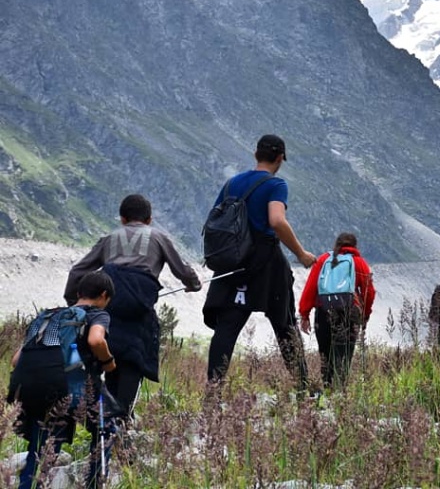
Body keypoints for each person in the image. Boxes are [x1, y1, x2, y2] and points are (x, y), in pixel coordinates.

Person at [63, 194, 202, 418]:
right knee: (133, 361)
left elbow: (77, 272)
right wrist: (193, 284)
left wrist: (75, 303)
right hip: (139, 312)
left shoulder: (108, 239)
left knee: (107, 360)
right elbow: (182, 270)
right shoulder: (158, 237)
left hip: (107, 310)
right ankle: (122, 419)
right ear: (149, 220)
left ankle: (104, 418)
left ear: (122, 219)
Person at [203, 134, 316, 388]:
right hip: (265, 262)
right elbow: (276, 220)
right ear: (279, 158)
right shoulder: (275, 185)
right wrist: (300, 253)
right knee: (284, 324)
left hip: (232, 261)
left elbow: (216, 221)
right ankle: (303, 387)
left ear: (256, 154)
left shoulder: (232, 184)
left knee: (227, 326)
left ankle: (213, 391)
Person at [9, 271, 118, 489]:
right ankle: (94, 482)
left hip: (29, 386)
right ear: (104, 295)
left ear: (78, 293)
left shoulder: (50, 316)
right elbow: (96, 340)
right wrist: (108, 361)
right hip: (67, 388)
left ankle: (27, 486)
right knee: (107, 427)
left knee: (41, 448)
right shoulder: (96, 314)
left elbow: (15, 360)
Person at [299, 232, 376, 389]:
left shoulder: (323, 260)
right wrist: (365, 315)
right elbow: (370, 292)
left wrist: (304, 314)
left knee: (326, 356)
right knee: (343, 356)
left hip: (323, 312)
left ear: (337, 245)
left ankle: (327, 390)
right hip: (349, 314)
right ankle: (340, 394)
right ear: (355, 246)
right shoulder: (359, 263)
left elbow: (311, 288)